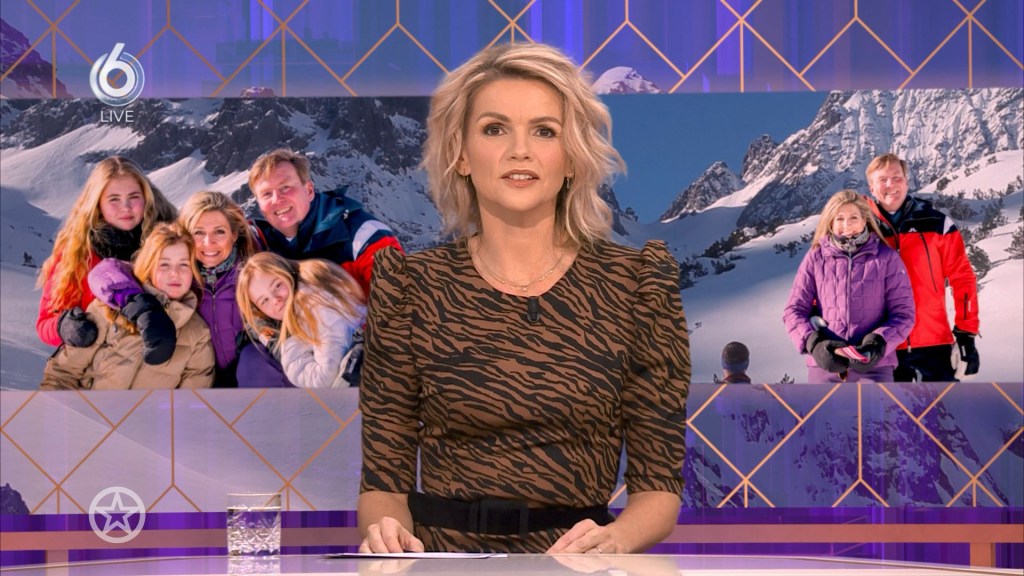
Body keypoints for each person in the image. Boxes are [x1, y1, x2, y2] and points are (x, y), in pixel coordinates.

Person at [357, 43, 690, 554]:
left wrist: (616, 540)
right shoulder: (409, 288)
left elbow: (658, 489)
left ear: (572, 157)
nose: (520, 151)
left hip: (579, 565)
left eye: (544, 131)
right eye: (495, 129)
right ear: (461, 155)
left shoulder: (636, 286)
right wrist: (387, 534)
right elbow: (383, 483)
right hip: (443, 564)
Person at [36, 156, 179, 364]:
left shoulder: (172, 242)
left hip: (164, 365)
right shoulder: (76, 254)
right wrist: (64, 326)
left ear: (147, 198)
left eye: (134, 197)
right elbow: (44, 323)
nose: (125, 207)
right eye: (114, 199)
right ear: (97, 204)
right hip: (101, 370)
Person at [40, 223, 215, 390]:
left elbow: (191, 400)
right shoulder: (108, 309)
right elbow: (62, 375)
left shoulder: (197, 333)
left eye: (184, 264)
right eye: (164, 264)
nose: (175, 273)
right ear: (149, 266)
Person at [864, 153, 981, 382]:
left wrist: (966, 334)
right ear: (871, 187)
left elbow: (963, 279)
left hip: (934, 345)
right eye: (883, 180)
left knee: (944, 406)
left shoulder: (937, 224)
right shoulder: (861, 228)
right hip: (881, 346)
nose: (891, 185)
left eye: (897, 178)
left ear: (906, 181)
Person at [783, 190, 916, 383]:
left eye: (853, 217)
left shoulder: (886, 258)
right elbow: (794, 310)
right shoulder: (816, 257)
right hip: (825, 367)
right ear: (830, 222)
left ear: (865, 220)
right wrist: (815, 344)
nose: (847, 225)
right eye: (839, 218)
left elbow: (904, 313)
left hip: (874, 367)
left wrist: (878, 344)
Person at [247, 148, 402, 295]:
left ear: (309, 191)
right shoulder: (258, 247)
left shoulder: (362, 234)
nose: (276, 199)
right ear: (259, 205)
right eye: (266, 194)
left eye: (285, 187)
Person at [236, 253, 366, 389]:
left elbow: (323, 379)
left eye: (277, 286)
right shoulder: (309, 289)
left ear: (287, 273)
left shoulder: (313, 303)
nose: (275, 300)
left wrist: (287, 340)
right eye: (264, 300)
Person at [178, 191, 260, 388]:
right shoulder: (177, 277)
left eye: (219, 232)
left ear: (234, 234)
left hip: (252, 380)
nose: (209, 242)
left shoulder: (257, 274)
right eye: (199, 233)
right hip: (200, 382)